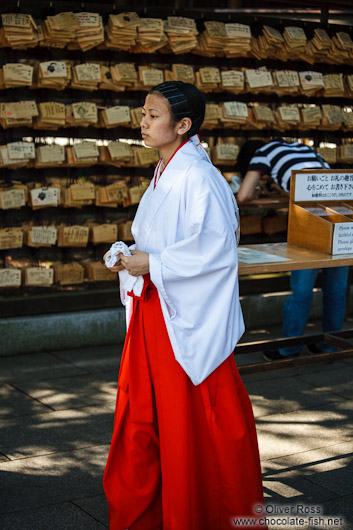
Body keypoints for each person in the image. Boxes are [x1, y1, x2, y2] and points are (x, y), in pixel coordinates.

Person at [103, 81, 266, 530]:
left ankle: (197, 512)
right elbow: (164, 240)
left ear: (183, 125)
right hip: (158, 307)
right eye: (143, 112)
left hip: (180, 316)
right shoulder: (166, 169)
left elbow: (215, 249)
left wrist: (152, 261)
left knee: (187, 421)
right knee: (149, 416)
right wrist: (132, 254)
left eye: (153, 115)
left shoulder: (199, 176)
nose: (143, 121)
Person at [236, 138, 349, 360]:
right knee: (336, 290)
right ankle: (331, 346)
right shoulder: (304, 148)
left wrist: (260, 189)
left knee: (302, 291)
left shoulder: (263, 153)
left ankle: (289, 348)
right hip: (342, 216)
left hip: (310, 223)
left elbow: (243, 195)